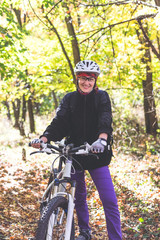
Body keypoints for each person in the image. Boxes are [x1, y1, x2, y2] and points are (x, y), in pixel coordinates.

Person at [31, 60, 122, 240]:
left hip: (97, 153)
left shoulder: (102, 97)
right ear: (77, 79)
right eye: (82, 78)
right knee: (77, 196)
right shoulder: (69, 99)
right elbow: (59, 122)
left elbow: (105, 119)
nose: (86, 82)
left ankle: (116, 237)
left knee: (109, 200)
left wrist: (102, 140)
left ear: (95, 80)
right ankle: (85, 232)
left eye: (90, 78)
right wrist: (44, 139)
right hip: (74, 153)